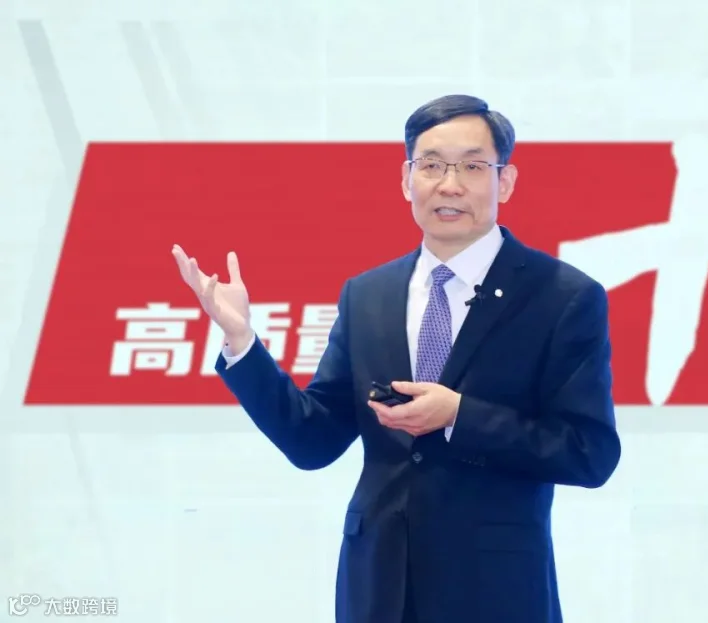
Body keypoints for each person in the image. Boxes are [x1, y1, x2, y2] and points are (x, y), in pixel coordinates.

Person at [171, 94, 621, 623]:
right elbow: (313, 440)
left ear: (505, 181)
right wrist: (242, 343)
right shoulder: (369, 295)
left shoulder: (561, 296)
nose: (449, 184)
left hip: (496, 590)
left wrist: (458, 416)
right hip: (377, 588)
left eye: (472, 166)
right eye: (431, 165)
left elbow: (588, 454)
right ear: (407, 179)